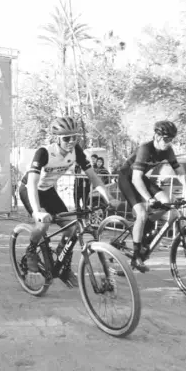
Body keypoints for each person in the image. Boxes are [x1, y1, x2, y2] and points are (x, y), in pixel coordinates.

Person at [20, 116, 120, 286]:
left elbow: (94, 178)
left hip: (49, 191)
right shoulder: (44, 153)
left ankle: (61, 262)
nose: (71, 141)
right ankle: (31, 250)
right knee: (42, 224)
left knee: (73, 227)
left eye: (75, 137)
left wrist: (108, 198)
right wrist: (37, 211)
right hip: (30, 190)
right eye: (67, 138)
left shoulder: (76, 151)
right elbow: (32, 183)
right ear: (57, 138)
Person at [118, 120, 186, 272]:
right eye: (166, 139)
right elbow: (135, 178)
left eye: (171, 140)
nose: (168, 143)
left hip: (141, 177)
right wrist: (149, 200)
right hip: (127, 178)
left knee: (166, 202)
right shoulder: (145, 149)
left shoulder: (168, 151)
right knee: (142, 213)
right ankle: (136, 256)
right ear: (156, 136)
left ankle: (147, 226)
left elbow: (180, 173)